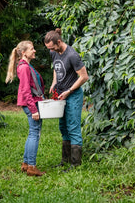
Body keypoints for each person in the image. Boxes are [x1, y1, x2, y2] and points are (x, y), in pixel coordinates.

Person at [44, 28, 89, 169]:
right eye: (49, 49)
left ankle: (75, 164)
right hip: (61, 94)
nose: (51, 51)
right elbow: (56, 69)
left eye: (52, 47)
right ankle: (65, 161)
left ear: (59, 42)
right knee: (63, 127)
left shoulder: (72, 55)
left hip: (73, 95)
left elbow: (84, 77)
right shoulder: (54, 52)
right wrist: (54, 83)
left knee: (73, 127)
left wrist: (69, 91)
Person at [6, 40, 46, 176]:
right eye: (31, 49)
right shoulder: (23, 68)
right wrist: (34, 110)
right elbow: (25, 90)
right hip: (31, 104)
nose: (34, 51)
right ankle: (31, 167)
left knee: (32, 133)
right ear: (23, 53)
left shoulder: (26, 66)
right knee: (35, 134)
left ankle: (26, 163)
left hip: (33, 103)